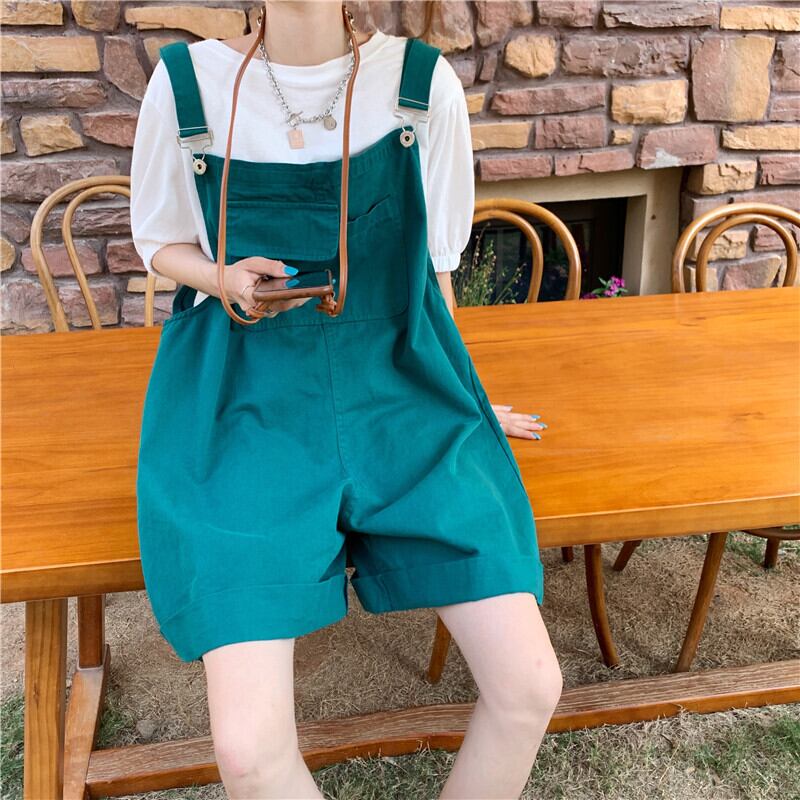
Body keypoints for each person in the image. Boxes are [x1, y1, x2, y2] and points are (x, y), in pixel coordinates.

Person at [130, 1, 562, 797]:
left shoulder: (420, 84)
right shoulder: (187, 83)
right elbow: (158, 238)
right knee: (248, 751)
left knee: (531, 687)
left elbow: (434, 274)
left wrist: (464, 398)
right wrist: (222, 278)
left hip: (401, 396)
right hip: (242, 407)